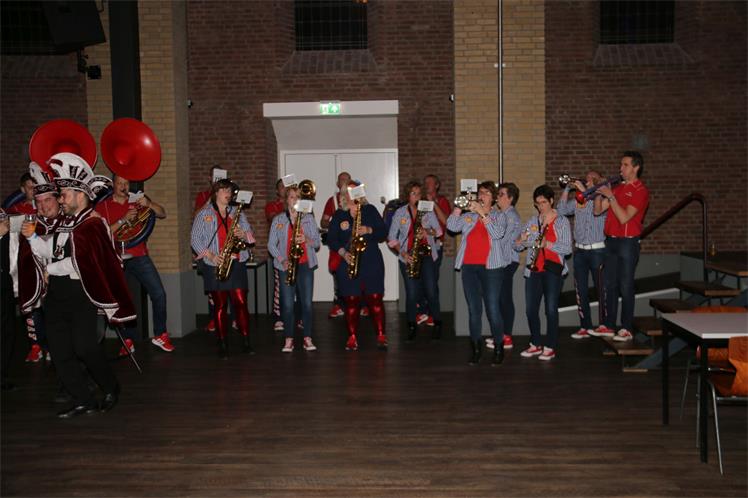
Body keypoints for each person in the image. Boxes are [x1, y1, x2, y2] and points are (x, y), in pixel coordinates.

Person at [24, 152, 135, 418]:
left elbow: (79, 263)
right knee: (60, 351)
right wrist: (32, 239)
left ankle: (111, 386)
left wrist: (49, 269)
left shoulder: (93, 224)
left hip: (80, 294)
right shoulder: (65, 222)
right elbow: (51, 250)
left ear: (79, 194)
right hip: (57, 295)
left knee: (85, 347)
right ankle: (83, 399)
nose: (60, 199)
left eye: (64, 194)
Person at [96, 174, 173, 356]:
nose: (123, 186)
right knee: (122, 300)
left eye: (126, 183)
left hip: (139, 255)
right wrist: (123, 220)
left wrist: (149, 204)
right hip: (116, 258)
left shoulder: (136, 201)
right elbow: (101, 233)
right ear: (113, 184)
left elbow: (162, 213)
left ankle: (160, 334)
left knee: (159, 294)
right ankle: (127, 340)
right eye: (120, 183)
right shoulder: (103, 206)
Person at [191, 179, 256, 358]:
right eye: (224, 190)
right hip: (215, 263)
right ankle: (222, 343)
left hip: (237, 262)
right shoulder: (204, 213)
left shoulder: (237, 212)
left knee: (241, 303)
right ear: (216, 193)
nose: (228, 193)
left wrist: (244, 234)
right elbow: (194, 239)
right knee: (220, 306)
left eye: (230, 190)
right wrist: (211, 256)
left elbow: (251, 237)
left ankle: (246, 341)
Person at [447, 181, 509, 366]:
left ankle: (499, 347)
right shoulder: (469, 216)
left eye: (486, 193)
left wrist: (482, 213)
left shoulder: (500, 216)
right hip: (469, 267)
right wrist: (459, 207)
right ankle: (475, 349)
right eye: (480, 192)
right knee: (474, 310)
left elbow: (497, 234)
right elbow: (451, 226)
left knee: (493, 309)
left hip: (492, 268)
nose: (481, 195)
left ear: (494, 198)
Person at [591, 151, 650, 342]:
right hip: (611, 241)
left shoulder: (640, 190)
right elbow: (598, 211)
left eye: (625, 165)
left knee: (626, 286)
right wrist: (598, 193)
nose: (620, 168)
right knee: (610, 285)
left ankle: (626, 328)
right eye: (621, 165)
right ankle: (608, 325)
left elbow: (624, 217)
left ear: (636, 167)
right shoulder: (617, 188)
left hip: (627, 242)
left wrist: (611, 196)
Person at [327, 181, 387, 351]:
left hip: (371, 261)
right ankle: (352, 337)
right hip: (348, 261)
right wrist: (343, 253)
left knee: (375, 299)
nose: (352, 195)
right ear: (344, 195)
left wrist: (369, 230)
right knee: (351, 301)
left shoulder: (370, 210)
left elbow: (383, 232)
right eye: (348, 192)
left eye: (355, 191)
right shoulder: (339, 214)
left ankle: (381, 335)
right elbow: (331, 239)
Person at [515, 185, 572, 361]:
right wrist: (520, 241)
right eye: (538, 203)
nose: (541, 206)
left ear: (551, 201)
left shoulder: (561, 221)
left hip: (553, 270)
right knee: (531, 310)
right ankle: (535, 343)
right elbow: (518, 246)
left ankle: (550, 346)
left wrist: (548, 244)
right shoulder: (533, 221)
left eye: (544, 202)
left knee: (551, 309)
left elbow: (567, 249)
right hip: (534, 270)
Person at [387, 180, 443, 341]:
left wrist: (427, 232)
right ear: (407, 196)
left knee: (431, 291)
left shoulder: (427, 210)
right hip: (408, 255)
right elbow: (391, 237)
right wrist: (403, 254)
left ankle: (437, 323)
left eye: (419, 193)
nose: (417, 196)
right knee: (411, 293)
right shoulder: (400, 213)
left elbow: (439, 231)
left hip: (427, 255)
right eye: (413, 194)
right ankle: (411, 325)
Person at [267, 186, 321, 352]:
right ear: (287, 200)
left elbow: (317, 243)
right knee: (288, 305)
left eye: (298, 197)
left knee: (307, 304)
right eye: (292, 197)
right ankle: (289, 339)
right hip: (286, 266)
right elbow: (271, 245)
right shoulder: (278, 219)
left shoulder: (308, 218)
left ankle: (307, 337)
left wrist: (306, 239)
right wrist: (282, 260)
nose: (295, 200)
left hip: (304, 265)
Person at [557, 171, 607, 340]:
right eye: (587, 179)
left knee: (601, 290)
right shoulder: (579, 201)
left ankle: (604, 325)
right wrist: (567, 189)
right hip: (580, 251)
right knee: (581, 290)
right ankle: (585, 326)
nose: (587, 180)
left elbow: (596, 210)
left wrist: (585, 191)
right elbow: (561, 210)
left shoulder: (601, 198)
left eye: (592, 179)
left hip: (597, 250)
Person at [321, 171, 368, 319]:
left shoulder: (359, 201)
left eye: (348, 180)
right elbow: (323, 222)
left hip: (357, 243)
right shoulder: (332, 201)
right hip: (340, 244)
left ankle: (363, 305)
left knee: (362, 273)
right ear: (338, 184)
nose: (345, 183)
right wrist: (336, 222)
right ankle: (339, 305)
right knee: (339, 275)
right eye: (342, 180)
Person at [484, 182, 522, 351]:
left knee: (504, 298)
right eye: (498, 194)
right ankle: (500, 334)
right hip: (503, 261)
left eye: (501, 195)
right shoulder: (502, 214)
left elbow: (500, 239)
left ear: (510, 198)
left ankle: (507, 336)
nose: (497, 197)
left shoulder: (510, 216)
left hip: (507, 261)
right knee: (499, 298)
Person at [418, 174, 451, 326]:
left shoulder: (442, 200)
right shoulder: (421, 201)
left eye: (430, 182)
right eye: (425, 182)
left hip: (435, 245)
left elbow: (446, 222)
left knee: (431, 281)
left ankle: (433, 314)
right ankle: (423, 311)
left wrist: (434, 204)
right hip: (421, 245)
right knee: (420, 280)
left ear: (437, 185)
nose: (427, 185)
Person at [265, 178, 287, 332]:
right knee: (280, 286)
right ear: (277, 191)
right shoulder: (271, 205)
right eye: (281, 187)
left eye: (287, 187)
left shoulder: (297, 204)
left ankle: (299, 316)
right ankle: (278, 317)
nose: (284, 189)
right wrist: (287, 206)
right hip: (279, 250)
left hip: (295, 249)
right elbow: (272, 218)